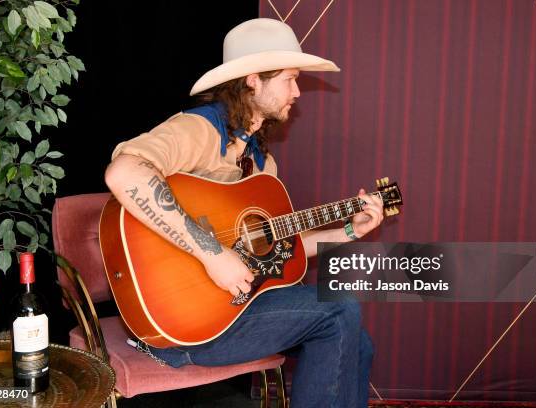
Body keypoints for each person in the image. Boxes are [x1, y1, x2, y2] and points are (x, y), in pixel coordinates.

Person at [104, 18, 384, 407]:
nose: (298, 91)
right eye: (289, 79)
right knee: (339, 311)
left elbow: (288, 249)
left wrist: (350, 232)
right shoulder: (198, 130)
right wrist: (213, 253)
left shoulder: (261, 166)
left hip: (237, 311)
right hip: (184, 325)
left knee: (359, 344)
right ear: (253, 79)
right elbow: (125, 172)